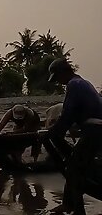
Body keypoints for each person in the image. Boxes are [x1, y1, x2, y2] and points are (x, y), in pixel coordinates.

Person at [45, 58, 102, 215]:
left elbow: (68, 113)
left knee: (73, 169)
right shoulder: (85, 83)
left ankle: (74, 208)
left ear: (65, 72)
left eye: (58, 78)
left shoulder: (73, 85)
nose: (59, 82)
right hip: (96, 129)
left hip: (94, 130)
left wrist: (56, 132)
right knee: (79, 166)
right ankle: (69, 204)